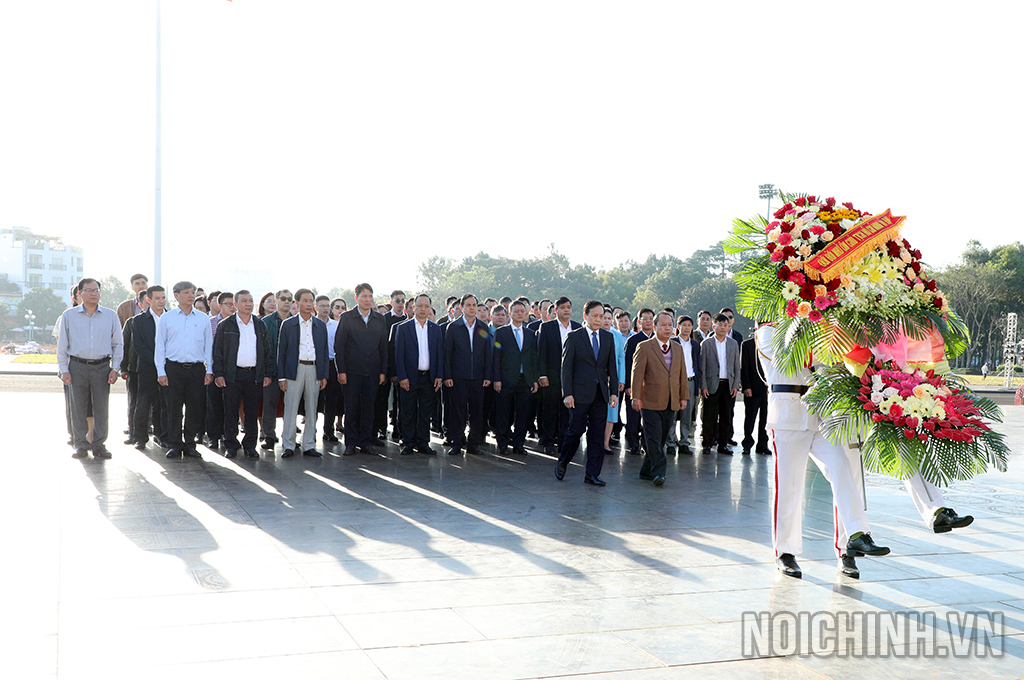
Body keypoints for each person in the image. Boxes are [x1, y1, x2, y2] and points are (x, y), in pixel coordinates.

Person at [756, 323, 891, 578]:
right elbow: (792, 356)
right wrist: (825, 337)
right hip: (788, 415)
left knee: (843, 470)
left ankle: (854, 539)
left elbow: (836, 361)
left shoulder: (823, 328)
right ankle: (785, 552)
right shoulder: (768, 331)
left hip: (823, 415)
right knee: (789, 486)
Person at [57, 277, 123, 459]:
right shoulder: (69, 316)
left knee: (101, 407)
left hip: (102, 367)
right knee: (77, 406)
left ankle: (99, 444)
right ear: (80, 293)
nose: (94, 294)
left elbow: (118, 343)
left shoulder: (110, 315)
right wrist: (64, 369)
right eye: (89, 290)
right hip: (77, 365)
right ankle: (80, 444)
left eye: (97, 290)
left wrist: (115, 368)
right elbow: (62, 344)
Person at [555, 301, 618, 486]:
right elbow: (566, 368)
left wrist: (613, 392)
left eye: (602, 316)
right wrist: (567, 393)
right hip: (579, 394)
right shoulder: (574, 337)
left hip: (601, 395)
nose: (599, 320)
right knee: (575, 432)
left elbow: (611, 368)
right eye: (595, 316)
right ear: (585, 316)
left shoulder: (608, 337)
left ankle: (592, 474)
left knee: (597, 436)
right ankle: (562, 462)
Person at [155, 281, 213, 459]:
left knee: (194, 407)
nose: (191, 295)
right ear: (176, 295)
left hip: (196, 369)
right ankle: (174, 444)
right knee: (173, 408)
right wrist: (161, 371)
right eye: (186, 292)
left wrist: (209, 369)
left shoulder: (203, 318)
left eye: (192, 292)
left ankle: (190, 444)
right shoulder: (167, 317)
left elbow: (209, 345)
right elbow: (160, 345)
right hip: (173, 368)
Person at [630, 312, 690, 486]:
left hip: (670, 401)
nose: (667, 328)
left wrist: (683, 397)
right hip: (649, 401)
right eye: (663, 325)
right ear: (654, 327)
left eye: (669, 324)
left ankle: (646, 470)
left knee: (661, 438)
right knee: (653, 439)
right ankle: (659, 473)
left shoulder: (677, 347)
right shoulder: (645, 346)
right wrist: (636, 397)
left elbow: (682, 373)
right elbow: (637, 374)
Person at [213, 290, 273, 459]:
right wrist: (219, 374)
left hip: (254, 375)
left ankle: (250, 445)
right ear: (236, 304)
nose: (248, 304)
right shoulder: (226, 325)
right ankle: (231, 445)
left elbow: (267, 351)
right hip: (232, 375)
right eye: (244, 301)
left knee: (252, 412)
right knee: (231, 412)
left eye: (250, 301)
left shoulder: (260, 325)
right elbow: (217, 352)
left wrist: (267, 373)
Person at [335, 283, 388, 456]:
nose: (367, 299)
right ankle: (350, 442)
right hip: (351, 372)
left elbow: (383, 348)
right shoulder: (347, 317)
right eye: (364, 296)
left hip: (373, 372)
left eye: (370, 296)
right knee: (351, 407)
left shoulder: (379, 319)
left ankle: (366, 441)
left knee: (369, 408)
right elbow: (339, 345)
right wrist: (341, 370)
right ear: (356, 298)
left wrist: (382, 371)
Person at [277, 289, 329, 458]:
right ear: (297, 303)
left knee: (312, 408)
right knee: (290, 408)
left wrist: (323, 375)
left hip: (314, 369)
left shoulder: (320, 325)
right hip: (294, 369)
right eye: (305, 300)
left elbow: (324, 351)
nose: (308, 304)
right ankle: (289, 445)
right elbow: (282, 352)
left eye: (310, 300)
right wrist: (282, 376)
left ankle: (309, 445)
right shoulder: (288, 324)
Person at [442, 293, 492, 455]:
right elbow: (447, 353)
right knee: (458, 412)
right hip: (458, 377)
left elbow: (487, 353)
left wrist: (487, 375)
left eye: (474, 305)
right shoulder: (454, 327)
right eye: (468, 305)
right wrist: (447, 376)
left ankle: (473, 444)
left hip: (478, 377)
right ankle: (457, 442)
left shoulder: (483, 327)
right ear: (462, 308)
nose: (472, 308)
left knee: (477, 412)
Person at [394, 294, 443, 455]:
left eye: (426, 306)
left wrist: (439, 375)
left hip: (429, 377)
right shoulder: (403, 328)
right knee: (407, 410)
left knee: (425, 412)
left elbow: (439, 354)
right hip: (410, 377)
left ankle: (423, 442)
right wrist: (402, 377)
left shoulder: (435, 329)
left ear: (430, 308)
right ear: (413, 307)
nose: (423, 309)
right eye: (419, 306)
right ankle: (408, 442)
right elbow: (399, 355)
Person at [492, 299, 539, 456]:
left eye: (522, 311)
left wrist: (534, 379)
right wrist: (496, 379)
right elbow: (496, 357)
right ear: (509, 313)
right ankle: (503, 443)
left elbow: (533, 358)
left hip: (524, 380)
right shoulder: (501, 332)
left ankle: (519, 444)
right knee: (504, 413)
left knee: (523, 414)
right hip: (506, 379)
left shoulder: (531, 334)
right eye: (516, 311)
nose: (519, 313)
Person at [126, 285, 168, 450]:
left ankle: (162, 435)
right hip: (147, 368)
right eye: (157, 298)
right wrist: (156, 361)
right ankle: (140, 437)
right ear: (149, 300)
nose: (161, 301)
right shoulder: (139, 320)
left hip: (167, 368)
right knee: (143, 403)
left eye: (163, 298)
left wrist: (164, 363)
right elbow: (138, 345)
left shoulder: (170, 318)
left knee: (163, 404)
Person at [537, 297, 580, 454]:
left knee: (566, 411)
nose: (566, 310)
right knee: (550, 410)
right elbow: (541, 353)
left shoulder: (576, 327)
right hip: (551, 376)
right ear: (556, 310)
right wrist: (542, 374)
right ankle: (548, 441)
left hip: (571, 378)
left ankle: (563, 442)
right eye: (563, 307)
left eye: (568, 307)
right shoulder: (547, 327)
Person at [698, 313, 740, 455]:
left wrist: (736, 385)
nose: (723, 327)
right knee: (709, 416)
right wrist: (703, 386)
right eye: (720, 324)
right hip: (711, 385)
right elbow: (702, 367)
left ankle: (723, 444)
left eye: (725, 325)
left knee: (726, 417)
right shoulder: (706, 343)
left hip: (728, 385)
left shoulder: (733, 344)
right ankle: (707, 444)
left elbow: (736, 366)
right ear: (713, 326)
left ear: (728, 327)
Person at [259, 289, 292, 450]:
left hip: (291, 372)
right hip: (271, 372)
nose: (287, 301)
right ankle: (269, 436)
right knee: (269, 404)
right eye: (283, 298)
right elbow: (262, 349)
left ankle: (289, 437)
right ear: (277, 300)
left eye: (289, 299)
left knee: (290, 406)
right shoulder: (266, 322)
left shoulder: (296, 321)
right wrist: (266, 372)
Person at [205, 291, 235, 449]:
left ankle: (228, 434)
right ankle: (213, 436)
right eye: (228, 304)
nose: (232, 307)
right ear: (219, 305)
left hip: (233, 371)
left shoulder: (238, 323)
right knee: (214, 404)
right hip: (214, 368)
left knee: (230, 405)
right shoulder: (210, 323)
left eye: (233, 304)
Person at [623, 308, 655, 456]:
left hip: (654, 385)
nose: (648, 321)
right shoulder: (633, 340)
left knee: (650, 418)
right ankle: (633, 443)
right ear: (639, 321)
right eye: (645, 318)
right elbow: (627, 364)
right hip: (636, 385)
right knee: (633, 416)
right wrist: (629, 385)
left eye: (650, 318)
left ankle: (647, 444)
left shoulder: (659, 338)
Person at [120, 290, 149, 446]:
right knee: (135, 403)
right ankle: (134, 433)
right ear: (140, 304)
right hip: (135, 369)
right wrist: (123, 367)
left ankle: (161, 434)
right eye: (147, 301)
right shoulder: (132, 322)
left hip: (160, 370)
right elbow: (125, 346)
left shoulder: (165, 320)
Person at [378, 290, 407, 442]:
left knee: (399, 400)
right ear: (391, 302)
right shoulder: (383, 319)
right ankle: (382, 428)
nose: (400, 304)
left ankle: (398, 428)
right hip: (385, 364)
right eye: (397, 301)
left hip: (400, 366)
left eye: (403, 300)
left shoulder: (408, 319)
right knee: (382, 399)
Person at [671, 315, 701, 454]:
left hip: (690, 381)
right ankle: (670, 443)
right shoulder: (672, 342)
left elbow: (698, 365)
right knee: (672, 412)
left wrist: (699, 384)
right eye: (684, 325)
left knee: (687, 414)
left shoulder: (695, 344)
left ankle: (684, 442)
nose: (687, 328)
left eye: (689, 325)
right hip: (674, 382)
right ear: (678, 327)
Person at [740, 327, 770, 455]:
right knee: (750, 418)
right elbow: (744, 367)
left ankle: (762, 444)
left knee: (766, 419)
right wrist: (746, 387)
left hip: (769, 390)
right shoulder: (747, 344)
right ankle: (747, 443)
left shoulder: (772, 345)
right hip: (752, 389)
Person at [322, 298, 346, 443]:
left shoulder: (342, 325)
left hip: (338, 365)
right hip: (322, 364)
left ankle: (334, 428)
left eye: (343, 307)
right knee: (322, 401)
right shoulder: (320, 325)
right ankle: (321, 431)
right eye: (337, 307)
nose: (340, 309)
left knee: (336, 400)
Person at [602, 307, 626, 455]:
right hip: (596, 379)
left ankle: (605, 442)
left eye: (608, 318)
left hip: (613, 379)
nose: (606, 320)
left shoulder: (616, 336)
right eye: (603, 317)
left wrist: (621, 379)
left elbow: (621, 359)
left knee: (612, 411)